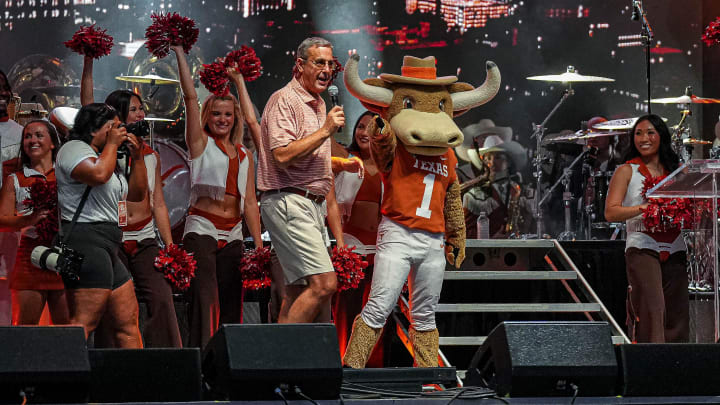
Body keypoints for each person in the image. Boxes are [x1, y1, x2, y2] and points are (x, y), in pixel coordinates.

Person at [80, 55, 181, 347]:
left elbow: (158, 203)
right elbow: (88, 109)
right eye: (133, 110)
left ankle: (168, 363)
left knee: (162, 299)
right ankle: (111, 366)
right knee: (113, 307)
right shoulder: (101, 153)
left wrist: (170, 245)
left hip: (146, 239)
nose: (140, 114)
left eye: (141, 109)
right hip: (111, 239)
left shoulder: (151, 155)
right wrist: (88, 62)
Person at [173, 45, 263, 348]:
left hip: (234, 232)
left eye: (227, 114)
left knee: (231, 306)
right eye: (216, 114)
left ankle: (227, 365)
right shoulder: (199, 143)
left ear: (234, 118)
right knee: (205, 301)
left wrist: (260, 247)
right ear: (207, 116)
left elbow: (249, 202)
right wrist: (178, 52)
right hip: (202, 229)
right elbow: (190, 97)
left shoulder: (244, 154)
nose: (222, 119)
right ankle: (200, 365)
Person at [257, 37, 345, 324]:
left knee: (296, 291)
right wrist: (325, 130)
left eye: (330, 64)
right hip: (289, 200)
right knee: (324, 284)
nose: (327, 69)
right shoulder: (284, 100)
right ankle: (279, 361)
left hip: (311, 204)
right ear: (300, 65)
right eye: (319, 62)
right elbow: (282, 155)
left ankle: (283, 364)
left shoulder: (319, 104)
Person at [55, 103, 148, 347]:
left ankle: (135, 382)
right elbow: (97, 176)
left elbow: (137, 194)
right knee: (84, 322)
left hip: (109, 243)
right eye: (114, 127)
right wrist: (112, 144)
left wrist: (137, 157)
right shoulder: (74, 148)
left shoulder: (108, 156)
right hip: (86, 241)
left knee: (127, 323)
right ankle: (59, 378)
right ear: (96, 128)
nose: (120, 132)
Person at [605, 114, 688, 343]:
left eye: (650, 132)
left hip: (676, 245)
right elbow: (611, 212)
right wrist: (644, 208)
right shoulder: (626, 171)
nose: (644, 138)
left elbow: (690, 204)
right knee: (653, 309)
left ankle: (678, 368)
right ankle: (652, 368)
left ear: (661, 136)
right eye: (638, 133)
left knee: (677, 313)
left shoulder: (678, 171)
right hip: (642, 245)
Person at [0, 120, 68, 325]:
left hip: (65, 253)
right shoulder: (16, 179)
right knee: (25, 330)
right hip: (30, 257)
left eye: (39, 135)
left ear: (53, 143)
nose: (32, 140)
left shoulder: (67, 175)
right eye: (27, 136)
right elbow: (2, 220)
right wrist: (28, 219)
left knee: (68, 329)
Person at [330, 111, 385, 365]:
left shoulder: (391, 165)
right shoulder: (344, 157)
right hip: (352, 246)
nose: (364, 132)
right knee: (347, 312)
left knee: (377, 313)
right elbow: (321, 137)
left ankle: (372, 367)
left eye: (372, 127)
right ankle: (346, 364)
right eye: (360, 126)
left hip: (383, 249)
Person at [462, 135, 530, 238]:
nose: (492, 163)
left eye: (498, 158)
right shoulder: (473, 196)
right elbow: (464, 233)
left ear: (508, 162)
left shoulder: (518, 191)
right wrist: (490, 238)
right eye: (488, 158)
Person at [0, 70, 23, 325]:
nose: (1, 93)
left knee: (6, 287)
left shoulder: (21, 135)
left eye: (4, 87)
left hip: (9, 228)